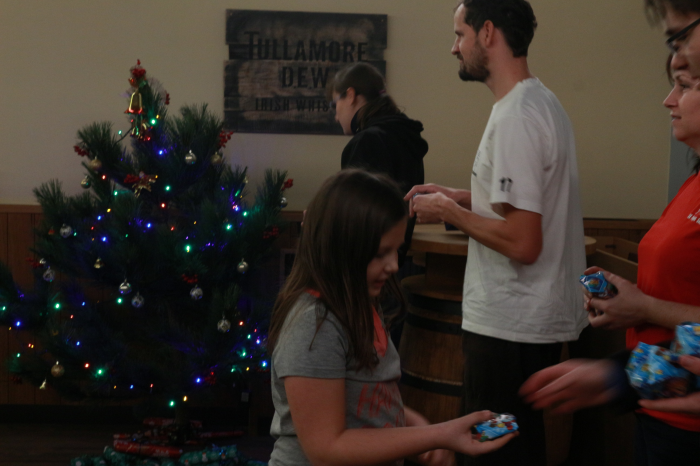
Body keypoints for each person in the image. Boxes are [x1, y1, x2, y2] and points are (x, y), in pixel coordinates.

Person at [404, 1, 586, 464]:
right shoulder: (538, 101)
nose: (454, 48)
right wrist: (466, 198)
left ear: (487, 33)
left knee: (492, 453)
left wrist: (448, 211)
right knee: (516, 449)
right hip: (525, 324)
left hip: (509, 327)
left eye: (459, 34)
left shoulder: (516, 118)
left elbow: (524, 242)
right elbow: (526, 204)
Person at [267, 169, 515, 466]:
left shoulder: (360, 304)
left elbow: (367, 401)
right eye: (380, 253)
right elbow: (326, 449)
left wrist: (416, 426)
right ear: (340, 247)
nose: (395, 265)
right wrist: (438, 435)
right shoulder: (314, 325)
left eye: (396, 251)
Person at [520, 66, 700, 465]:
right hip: (655, 394)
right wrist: (618, 373)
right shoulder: (693, 183)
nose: (668, 100)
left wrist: (644, 308)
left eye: (685, 86)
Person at [328, 62, 428, 196]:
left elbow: (356, 206)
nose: (336, 117)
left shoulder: (366, 141)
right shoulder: (405, 133)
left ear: (351, 95)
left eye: (334, 104)